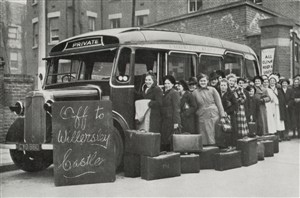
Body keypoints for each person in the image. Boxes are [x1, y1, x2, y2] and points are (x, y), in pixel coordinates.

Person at [192, 73, 225, 145]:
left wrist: (222, 116)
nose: (203, 82)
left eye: (204, 81)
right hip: (202, 116)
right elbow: (194, 106)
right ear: (198, 82)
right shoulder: (195, 92)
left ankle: (215, 150)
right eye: (201, 81)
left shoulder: (213, 90)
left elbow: (219, 103)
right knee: (204, 136)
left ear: (207, 81)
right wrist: (198, 112)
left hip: (214, 116)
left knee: (213, 134)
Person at [161, 75, 181, 151]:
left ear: (172, 84)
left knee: (170, 140)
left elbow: (176, 108)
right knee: (166, 139)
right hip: (166, 120)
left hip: (171, 120)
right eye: (165, 83)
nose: (166, 85)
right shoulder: (166, 93)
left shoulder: (174, 93)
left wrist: (176, 122)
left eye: (168, 83)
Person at [218, 78, 238, 147]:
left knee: (230, 130)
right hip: (220, 114)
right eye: (221, 85)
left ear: (227, 86)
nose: (223, 87)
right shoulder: (217, 94)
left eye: (224, 85)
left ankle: (231, 145)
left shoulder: (231, 95)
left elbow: (236, 105)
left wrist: (227, 111)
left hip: (229, 115)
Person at [268, 74, 286, 139]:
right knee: (271, 119)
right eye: (271, 81)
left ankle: (279, 134)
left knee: (278, 119)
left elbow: (282, 98)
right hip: (270, 106)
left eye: (273, 81)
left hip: (277, 107)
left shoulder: (278, 89)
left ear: (275, 82)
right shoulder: (267, 89)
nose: (272, 82)